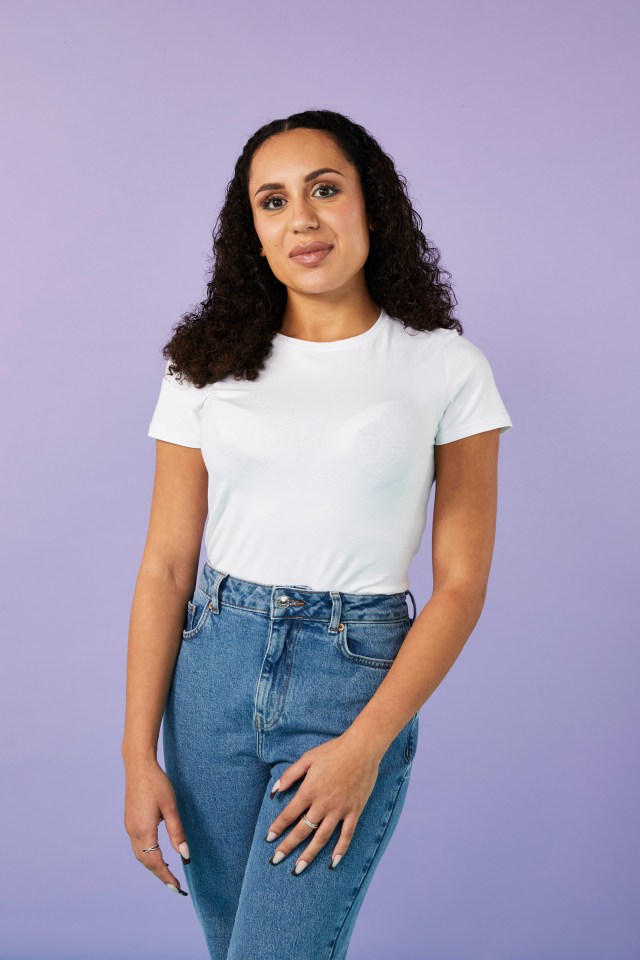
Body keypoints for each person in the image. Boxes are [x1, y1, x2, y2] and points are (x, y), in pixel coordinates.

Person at [121, 109, 513, 959]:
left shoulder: (446, 367)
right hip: (210, 677)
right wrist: (136, 754)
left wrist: (365, 745)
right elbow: (165, 565)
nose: (301, 218)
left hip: (352, 681)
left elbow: (460, 585)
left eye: (324, 190)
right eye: (272, 201)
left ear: (371, 207)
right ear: (252, 233)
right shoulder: (203, 364)